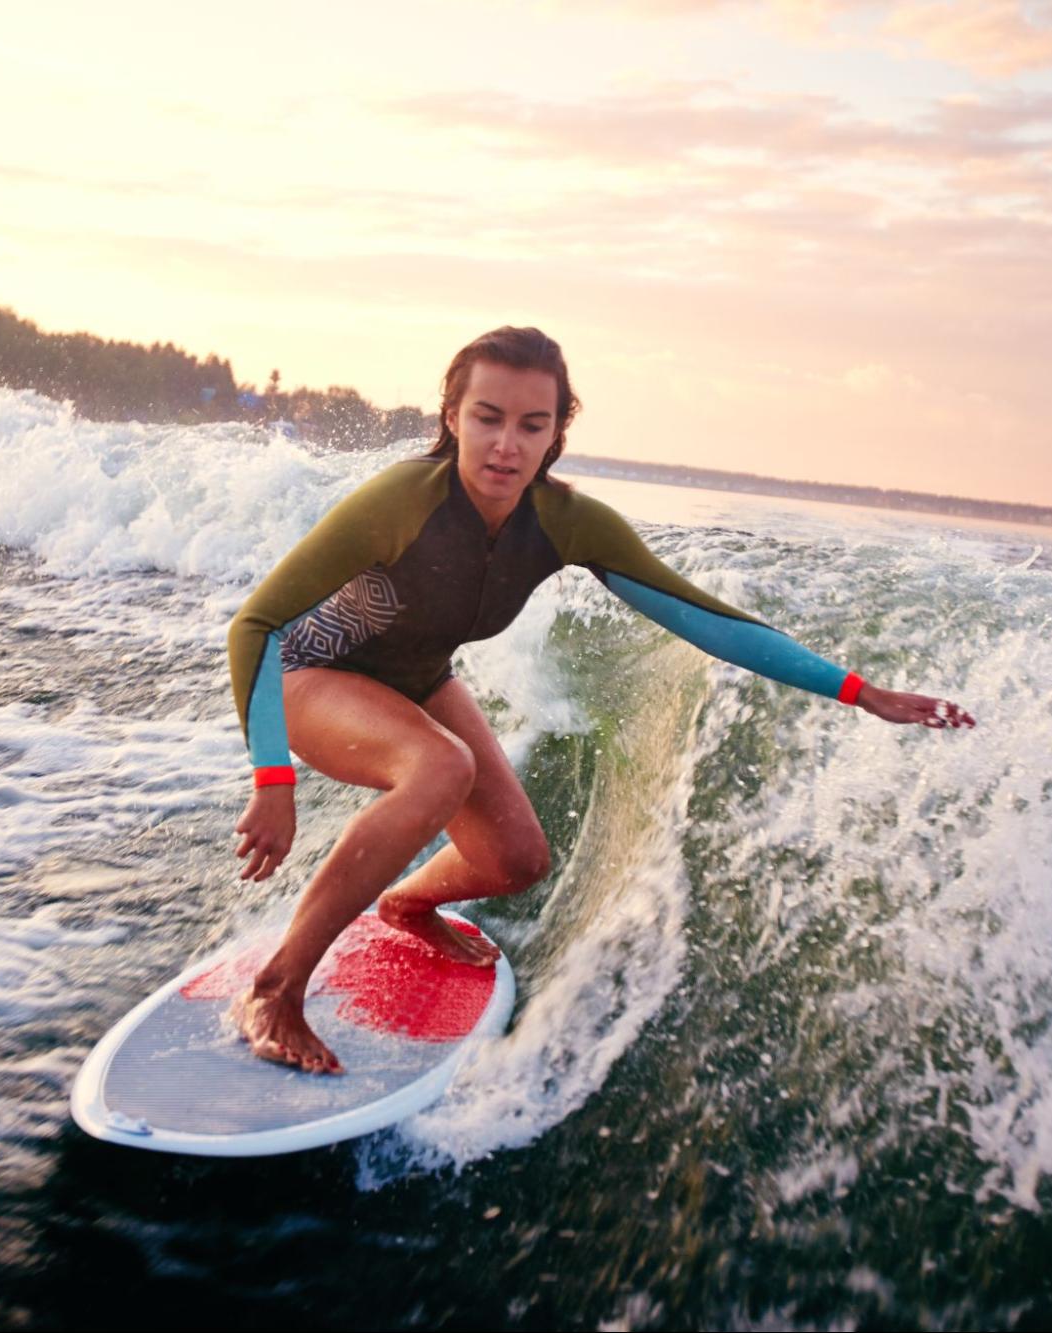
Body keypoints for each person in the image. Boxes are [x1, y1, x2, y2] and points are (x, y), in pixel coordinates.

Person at [225, 327, 975, 1074]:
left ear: (557, 432)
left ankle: (407, 905)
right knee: (439, 766)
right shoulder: (399, 501)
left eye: (532, 424)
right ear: (451, 414)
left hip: (416, 677)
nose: (506, 445)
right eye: (487, 417)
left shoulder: (564, 523)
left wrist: (857, 689)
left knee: (514, 859)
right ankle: (277, 988)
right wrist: (273, 780)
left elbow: (705, 617)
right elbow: (256, 625)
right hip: (305, 674)